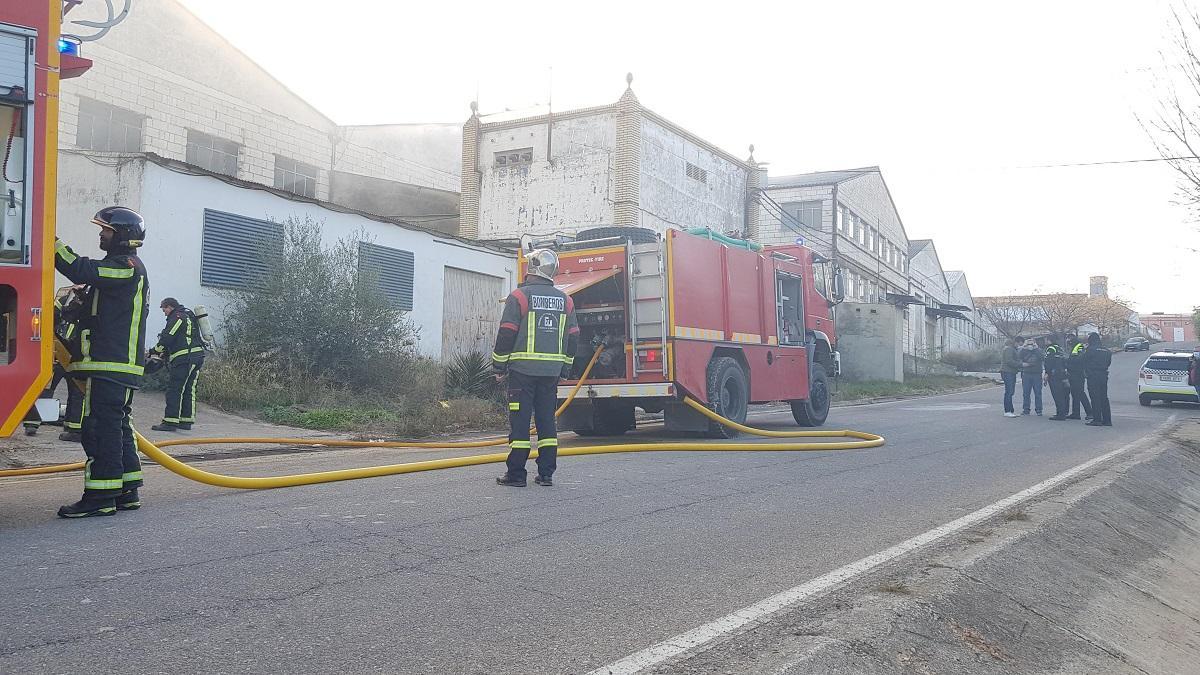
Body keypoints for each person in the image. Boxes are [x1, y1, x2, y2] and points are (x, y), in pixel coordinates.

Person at [52, 206, 150, 518]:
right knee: (117, 427)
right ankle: (126, 490)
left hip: (112, 363)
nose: (101, 234)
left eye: (105, 230)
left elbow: (83, 270)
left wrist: (49, 243)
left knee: (99, 428)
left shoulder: (124, 266)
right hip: (116, 363)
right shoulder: (125, 266)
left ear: (121, 235)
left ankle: (100, 496)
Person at [491, 248, 579, 487]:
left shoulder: (519, 297)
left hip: (522, 372)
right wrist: (565, 370)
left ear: (531, 269)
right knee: (547, 421)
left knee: (520, 422)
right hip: (551, 374)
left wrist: (498, 366)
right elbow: (573, 338)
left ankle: (517, 474)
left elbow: (506, 333)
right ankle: (547, 474)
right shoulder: (566, 300)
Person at [149, 297, 206, 432]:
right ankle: (186, 421)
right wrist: (166, 353)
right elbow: (182, 338)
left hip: (185, 358)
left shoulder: (178, 316)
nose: (164, 313)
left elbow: (168, 336)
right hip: (197, 356)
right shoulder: (188, 317)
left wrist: (154, 351)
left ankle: (170, 421)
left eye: (164, 310)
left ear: (170, 307)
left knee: (175, 389)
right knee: (189, 389)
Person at [1082, 332, 1112, 427]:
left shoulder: (1090, 350)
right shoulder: (1107, 350)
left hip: (1093, 375)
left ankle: (1097, 419)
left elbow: (1084, 361)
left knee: (1095, 397)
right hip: (1103, 374)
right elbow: (1108, 363)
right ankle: (1107, 420)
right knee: (1104, 397)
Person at [1065, 334, 1092, 421]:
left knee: (1080, 393)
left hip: (1078, 373)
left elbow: (1080, 359)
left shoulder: (1079, 346)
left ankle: (1090, 413)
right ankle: (1076, 413)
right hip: (1073, 373)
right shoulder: (1073, 347)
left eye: (1068, 339)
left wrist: (1069, 361)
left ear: (1072, 339)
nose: (1067, 341)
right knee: (1074, 394)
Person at [1044, 334, 1071, 420]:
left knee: (1057, 394)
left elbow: (1049, 362)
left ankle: (1060, 414)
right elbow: (1065, 360)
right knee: (1063, 394)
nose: (1045, 341)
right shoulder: (1060, 348)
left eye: (1046, 340)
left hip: (1054, 374)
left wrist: (1047, 373)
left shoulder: (1050, 349)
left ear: (1049, 340)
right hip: (1062, 373)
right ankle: (1064, 412)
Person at [1019, 336, 1044, 416]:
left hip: (1037, 374)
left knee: (1038, 393)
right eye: (1028, 342)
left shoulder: (1038, 350)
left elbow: (1042, 357)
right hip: (1026, 373)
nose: (1030, 344)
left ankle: (1039, 410)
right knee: (1026, 393)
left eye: (1031, 342)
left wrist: (1035, 348)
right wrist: (1024, 347)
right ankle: (1026, 409)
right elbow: (1019, 357)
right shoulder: (1024, 350)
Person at [1000, 336, 1022, 418]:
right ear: (1016, 342)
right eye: (1019, 344)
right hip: (1007, 372)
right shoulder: (1009, 349)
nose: (1019, 346)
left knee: (1011, 391)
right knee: (1009, 391)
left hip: (1011, 372)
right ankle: (1007, 411)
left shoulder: (1012, 348)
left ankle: (1011, 410)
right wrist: (1020, 364)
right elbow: (1009, 361)